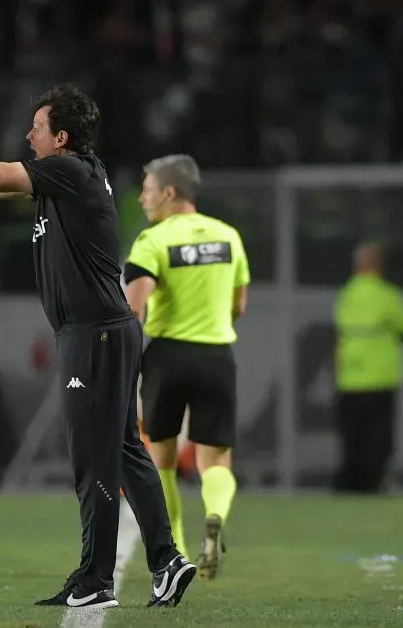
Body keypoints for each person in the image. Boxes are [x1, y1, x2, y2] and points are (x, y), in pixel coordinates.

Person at [0, 85, 196, 610]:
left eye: (37, 126)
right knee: (125, 451)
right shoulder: (69, 176)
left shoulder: (70, 170)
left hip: (96, 333)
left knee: (94, 457)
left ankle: (96, 577)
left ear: (61, 137)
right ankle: (166, 561)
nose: (28, 135)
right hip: (100, 330)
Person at [124, 155, 250, 580]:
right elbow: (239, 306)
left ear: (170, 192)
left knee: (159, 459)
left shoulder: (152, 241)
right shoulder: (229, 237)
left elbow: (133, 309)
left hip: (167, 357)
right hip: (216, 355)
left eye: (148, 188)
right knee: (215, 460)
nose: (143, 197)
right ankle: (214, 515)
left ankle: (173, 552)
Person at [333, 242, 403, 493]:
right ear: (379, 265)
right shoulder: (388, 295)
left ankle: (350, 483)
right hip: (380, 376)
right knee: (378, 437)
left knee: (352, 436)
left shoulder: (346, 294)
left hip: (349, 374)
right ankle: (373, 482)